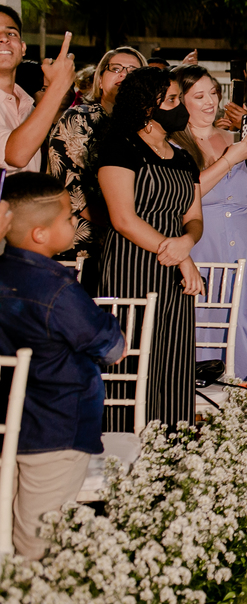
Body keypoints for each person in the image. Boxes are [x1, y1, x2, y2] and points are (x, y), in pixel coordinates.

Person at [0, 173, 126, 559]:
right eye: (69, 217)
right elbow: (112, 347)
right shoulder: (57, 289)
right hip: (57, 426)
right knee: (40, 539)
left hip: (10, 423)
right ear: (40, 234)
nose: (75, 221)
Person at [97, 67, 203, 431]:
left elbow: (194, 217)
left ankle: (173, 439)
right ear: (146, 107)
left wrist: (187, 242)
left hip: (175, 270)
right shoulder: (120, 146)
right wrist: (180, 256)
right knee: (133, 354)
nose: (180, 107)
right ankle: (124, 441)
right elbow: (123, 219)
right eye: (171, 100)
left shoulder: (184, 157)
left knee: (173, 355)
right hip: (132, 265)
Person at [172, 66, 247, 378]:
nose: (210, 102)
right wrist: (229, 160)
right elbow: (185, 195)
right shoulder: (174, 147)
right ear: (180, 101)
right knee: (208, 325)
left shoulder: (240, 139)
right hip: (204, 250)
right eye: (199, 96)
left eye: (213, 93)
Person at [46, 47, 147, 274]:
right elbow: (72, 191)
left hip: (136, 248)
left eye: (133, 71)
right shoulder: (79, 118)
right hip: (84, 248)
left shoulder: (149, 127)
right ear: (100, 80)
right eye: (116, 69)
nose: (124, 74)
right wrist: (127, 226)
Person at [0, 7, 76, 174]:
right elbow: (16, 155)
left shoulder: (29, 105)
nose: (4, 38)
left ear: (23, 48)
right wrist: (58, 85)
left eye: (11, 33)